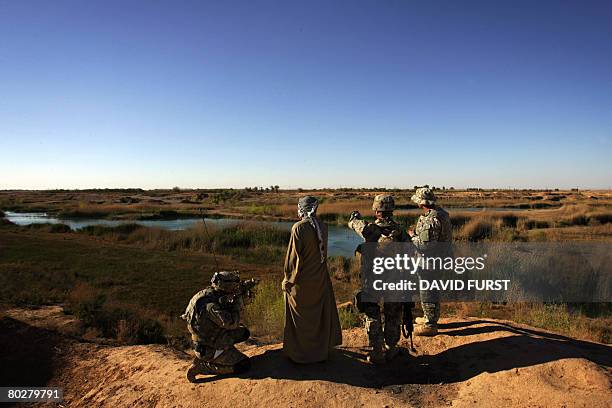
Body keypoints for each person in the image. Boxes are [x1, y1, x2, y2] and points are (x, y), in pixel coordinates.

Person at [348, 194, 408, 364]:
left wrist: (355, 218)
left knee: (371, 311)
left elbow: (353, 223)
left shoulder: (370, 229)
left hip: (372, 280)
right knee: (393, 313)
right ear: (392, 210)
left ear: (376, 211)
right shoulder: (401, 231)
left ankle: (377, 351)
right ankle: (391, 348)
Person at [283, 195, 342, 363]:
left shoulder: (299, 228)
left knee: (300, 317)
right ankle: (319, 352)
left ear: (301, 208)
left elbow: (293, 260)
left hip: (302, 282)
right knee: (317, 317)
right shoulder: (323, 226)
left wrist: (288, 280)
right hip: (320, 279)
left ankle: (300, 354)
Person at [181, 271, 257, 382]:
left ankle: (220, 354)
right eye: (234, 286)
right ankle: (204, 366)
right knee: (244, 365)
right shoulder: (211, 306)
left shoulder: (206, 295)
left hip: (207, 338)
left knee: (243, 332)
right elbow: (231, 323)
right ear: (226, 286)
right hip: (208, 347)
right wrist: (237, 303)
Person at [408, 187, 452, 336]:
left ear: (422, 203)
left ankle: (430, 325)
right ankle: (430, 317)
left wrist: (412, 236)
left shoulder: (432, 219)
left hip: (430, 263)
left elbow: (425, 246)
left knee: (428, 291)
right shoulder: (441, 214)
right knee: (432, 290)